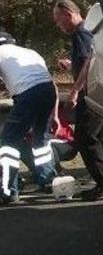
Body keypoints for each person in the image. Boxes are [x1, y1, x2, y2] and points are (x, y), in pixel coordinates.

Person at [52, 0, 103, 200]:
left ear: (68, 13)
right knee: (102, 136)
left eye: (58, 19)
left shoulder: (80, 33)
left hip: (91, 93)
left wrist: (74, 91)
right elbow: (90, 58)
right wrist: (71, 63)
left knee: (85, 138)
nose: (58, 24)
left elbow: (89, 64)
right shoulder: (89, 32)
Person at [0, 32, 57, 203]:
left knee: (8, 142)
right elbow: (50, 81)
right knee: (41, 139)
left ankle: (8, 190)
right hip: (48, 92)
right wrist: (55, 114)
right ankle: (48, 180)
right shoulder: (30, 53)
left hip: (27, 95)